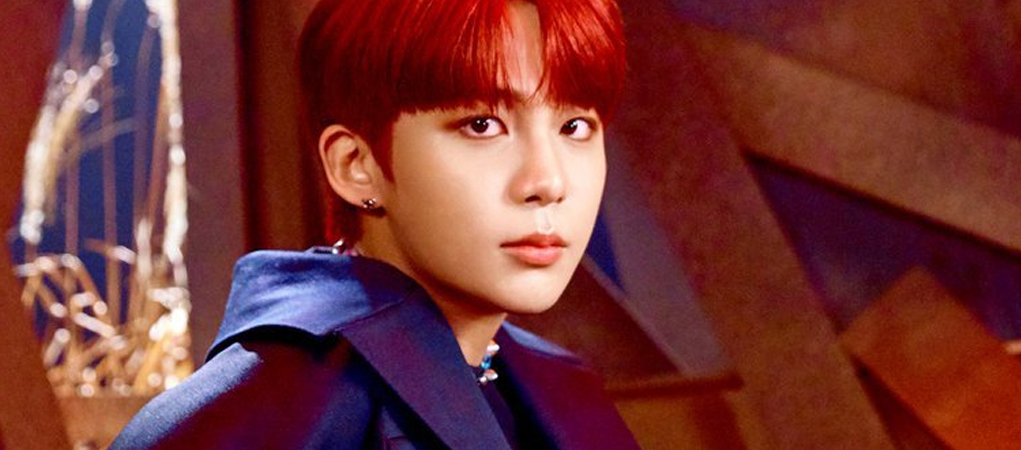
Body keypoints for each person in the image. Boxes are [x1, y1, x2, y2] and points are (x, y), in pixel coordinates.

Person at [109, 0, 638, 448]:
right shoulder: (268, 408)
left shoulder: (561, 390)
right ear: (354, 165)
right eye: (482, 125)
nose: (548, 181)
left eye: (575, 126)